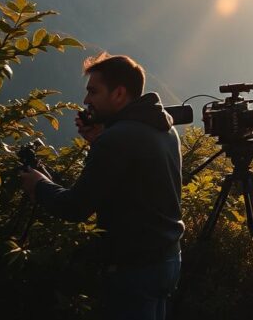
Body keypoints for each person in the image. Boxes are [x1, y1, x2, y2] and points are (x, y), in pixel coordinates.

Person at [19, 54, 183, 320]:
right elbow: (132, 180)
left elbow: (75, 208)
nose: (86, 101)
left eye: (93, 91)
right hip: (167, 260)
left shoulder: (117, 139)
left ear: (119, 93)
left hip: (133, 268)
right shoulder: (163, 127)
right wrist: (99, 140)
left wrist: (39, 186)